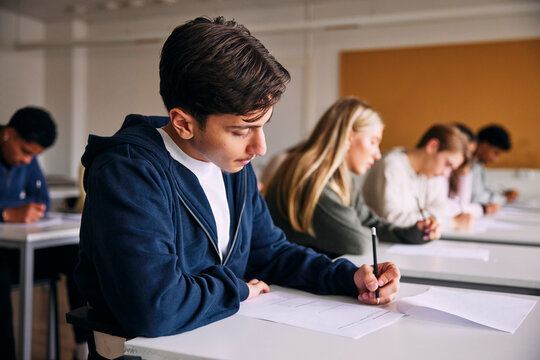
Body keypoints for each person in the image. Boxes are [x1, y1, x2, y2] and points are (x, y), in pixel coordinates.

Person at [74, 16, 401, 347]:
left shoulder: (231, 163)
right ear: (183, 123)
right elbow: (153, 307)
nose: (260, 147)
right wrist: (238, 288)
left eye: (263, 125)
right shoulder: (129, 172)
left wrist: (347, 277)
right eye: (242, 130)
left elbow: (268, 252)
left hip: (220, 340)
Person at [262, 97, 440, 258]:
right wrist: (358, 228)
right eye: (373, 141)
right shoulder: (312, 179)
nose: (378, 154)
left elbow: (370, 223)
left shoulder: (342, 177)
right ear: (349, 136)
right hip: (285, 285)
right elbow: (358, 243)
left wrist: (412, 232)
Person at [0, 107, 88, 360]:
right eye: (26, 152)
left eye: (34, 156)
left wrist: (30, 211)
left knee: (77, 257)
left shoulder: (28, 159)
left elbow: (42, 199)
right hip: (4, 257)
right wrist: (5, 213)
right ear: (8, 134)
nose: (28, 161)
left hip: (20, 251)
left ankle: (83, 346)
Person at [362, 124, 473, 231]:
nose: (446, 174)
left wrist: (431, 219)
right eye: (447, 164)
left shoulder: (430, 174)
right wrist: (452, 222)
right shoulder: (391, 165)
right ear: (433, 146)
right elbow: (392, 220)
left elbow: (443, 209)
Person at [471, 124, 518, 214]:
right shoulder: (469, 164)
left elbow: (483, 189)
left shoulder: (478, 165)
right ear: (484, 145)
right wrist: (505, 198)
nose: (495, 160)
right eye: (496, 153)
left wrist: (502, 196)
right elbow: (476, 197)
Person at [446, 123, 484, 218]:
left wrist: (464, 174)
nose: (468, 158)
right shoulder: (441, 171)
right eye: (465, 152)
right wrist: (482, 209)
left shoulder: (459, 171)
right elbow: (459, 209)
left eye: (471, 154)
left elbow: (462, 205)